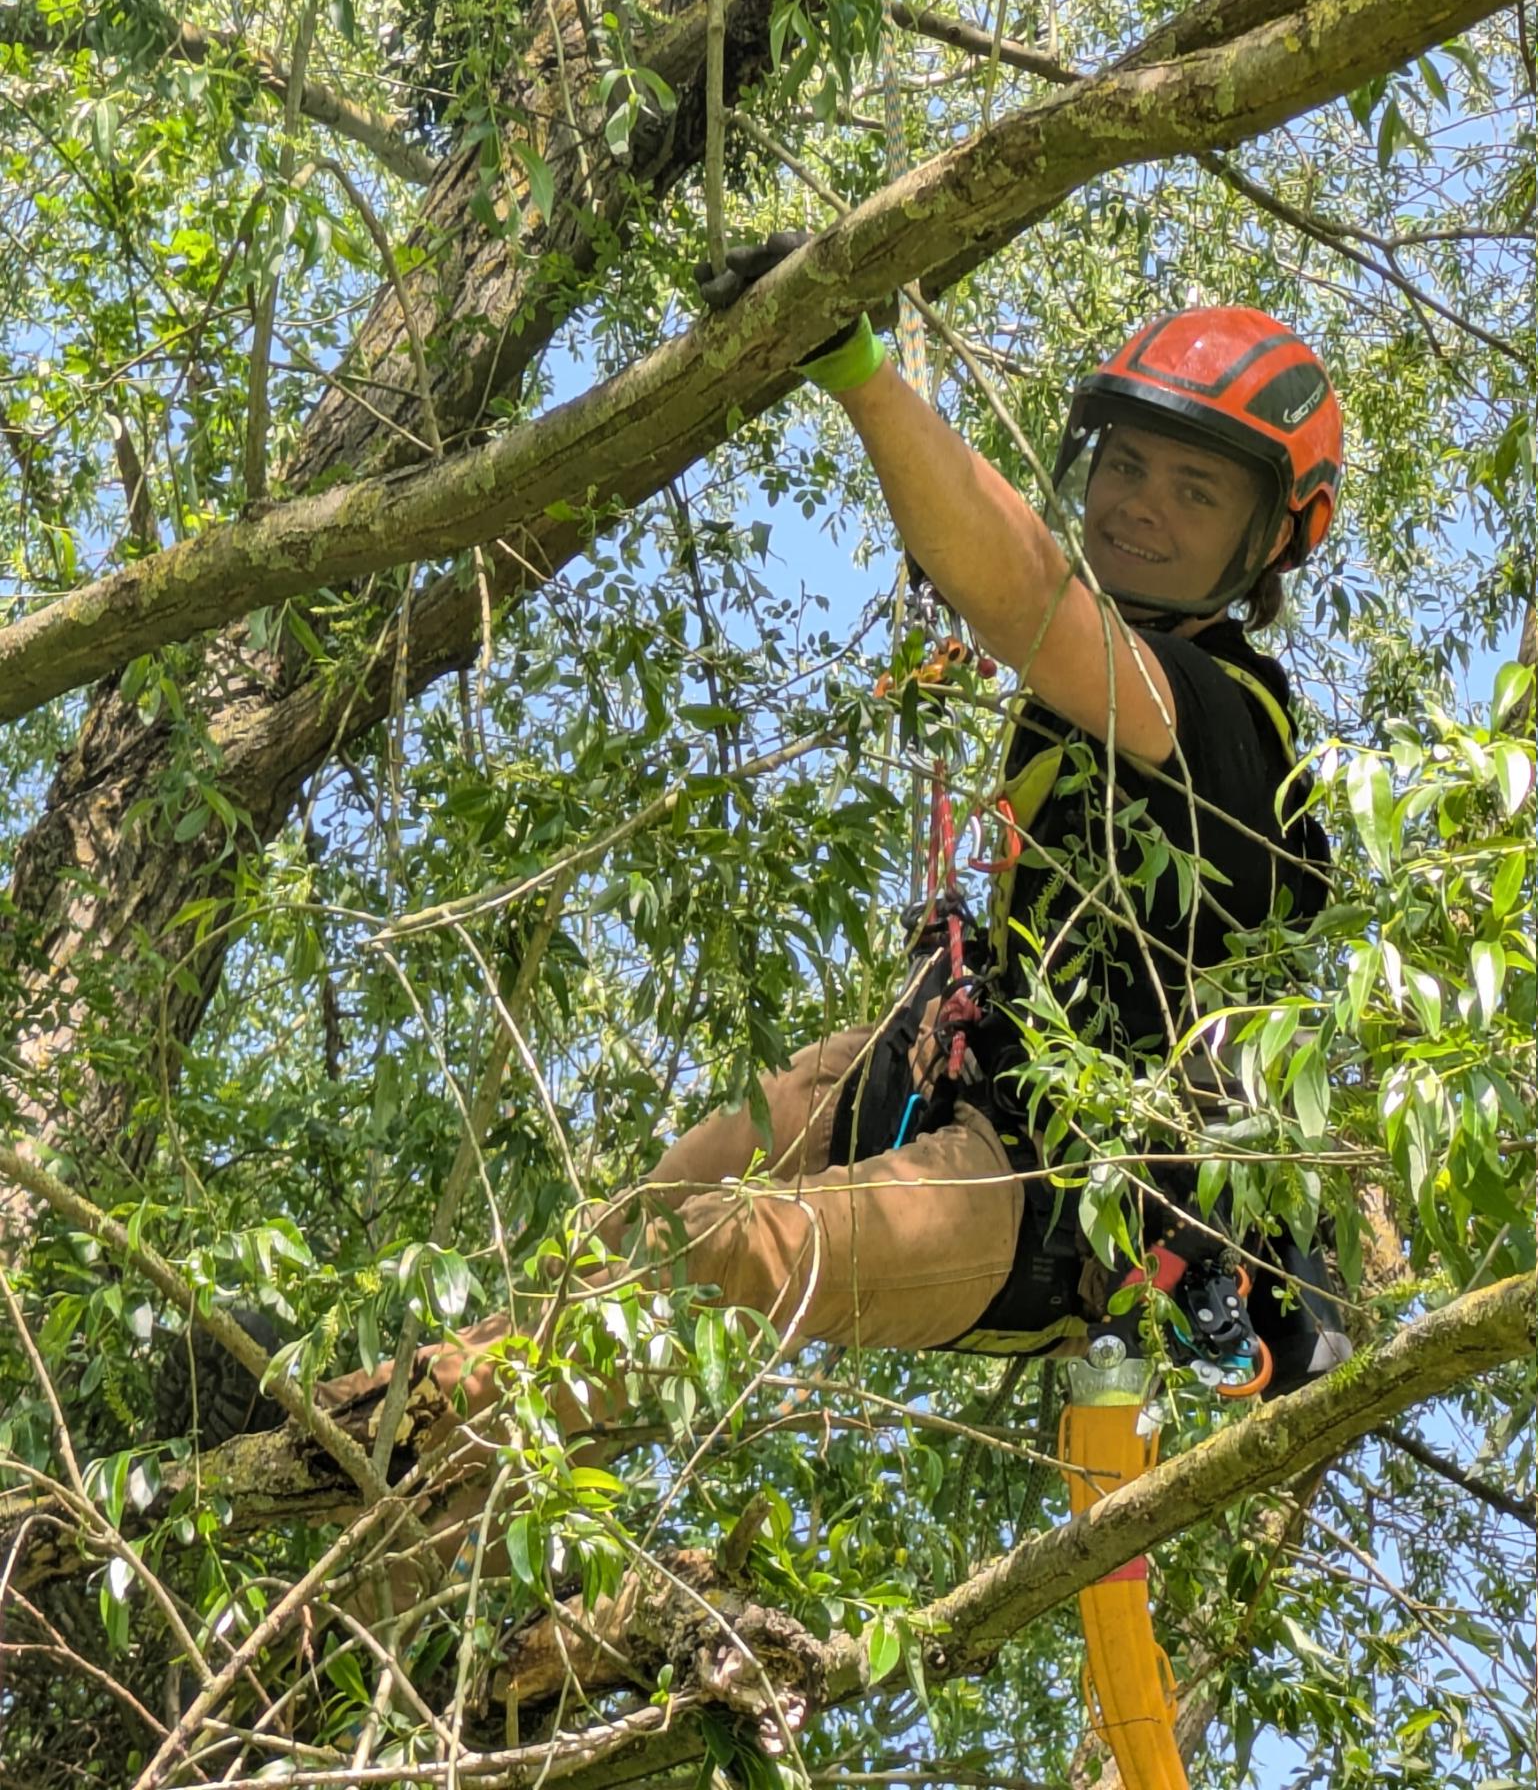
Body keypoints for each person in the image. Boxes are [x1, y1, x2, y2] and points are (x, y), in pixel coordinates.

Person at [173, 251, 1354, 1593]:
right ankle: (413, 1472)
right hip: (962, 1081)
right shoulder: (1090, 702)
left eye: (1194, 489)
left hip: (1055, 1204)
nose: (1140, 504)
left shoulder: (1230, 726)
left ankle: (405, 1465)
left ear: (1268, 542)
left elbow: (1026, 599)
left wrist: (856, 371)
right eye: (1125, 465)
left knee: (719, 1250)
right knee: (658, 1205)